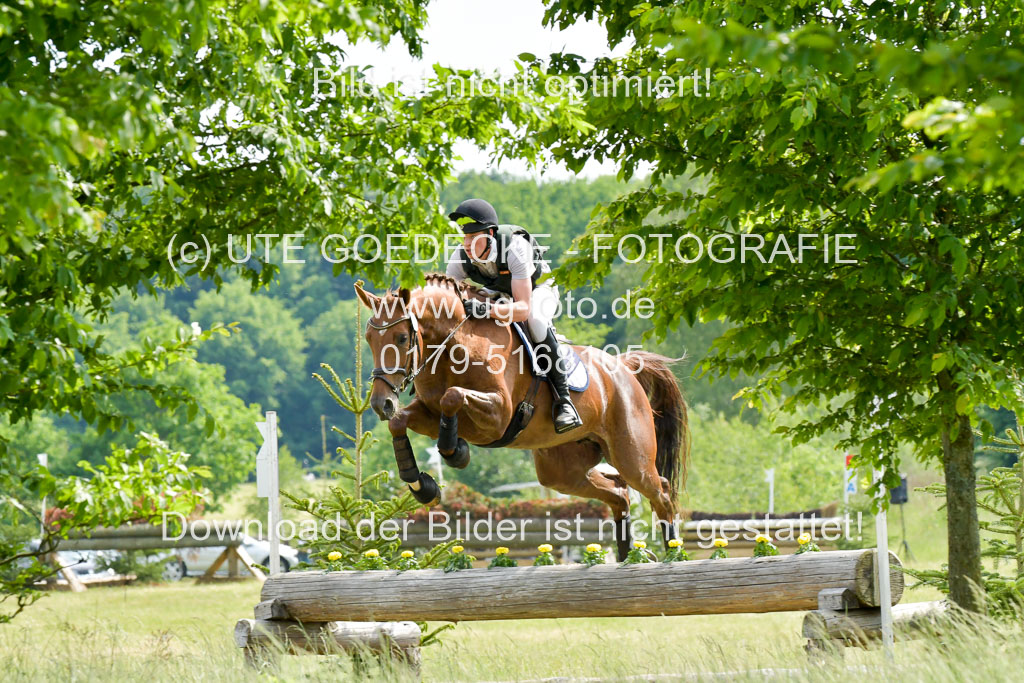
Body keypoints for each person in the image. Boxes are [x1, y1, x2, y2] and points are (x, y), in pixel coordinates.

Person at [445, 198, 582, 433]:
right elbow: (448, 299)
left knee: (536, 323)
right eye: (464, 237)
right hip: (499, 291)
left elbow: (522, 309)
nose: (466, 244)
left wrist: (487, 310)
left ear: (489, 234)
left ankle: (564, 401)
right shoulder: (461, 256)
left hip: (538, 289)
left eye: (473, 237)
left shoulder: (515, 248)